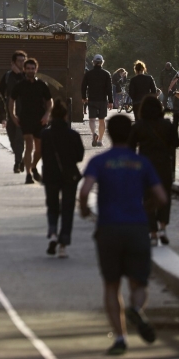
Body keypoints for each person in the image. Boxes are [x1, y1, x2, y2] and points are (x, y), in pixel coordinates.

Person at [79, 115, 166, 356]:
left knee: (111, 284)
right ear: (130, 134)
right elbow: (161, 197)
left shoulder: (100, 161)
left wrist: (85, 210)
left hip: (108, 228)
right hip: (137, 227)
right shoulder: (141, 163)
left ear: (109, 134)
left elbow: (85, 190)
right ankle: (136, 308)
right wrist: (146, 208)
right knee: (139, 282)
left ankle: (119, 337)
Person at [129, 95, 179, 245]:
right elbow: (175, 143)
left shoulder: (139, 126)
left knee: (148, 197)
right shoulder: (167, 125)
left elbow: (130, 147)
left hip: (145, 166)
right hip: (164, 165)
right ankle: (163, 227)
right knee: (165, 196)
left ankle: (153, 233)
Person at [41, 99, 84, 258]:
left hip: (50, 174)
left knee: (52, 206)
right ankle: (63, 244)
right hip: (69, 175)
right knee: (67, 208)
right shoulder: (73, 135)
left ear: (52, 116)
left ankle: (52, 232)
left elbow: (42, 154)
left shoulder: (45, 134)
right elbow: (80, 156)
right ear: (66, 116)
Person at [10, 58, 53, 184]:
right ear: (24, 69)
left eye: (32, 68)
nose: (30, 71)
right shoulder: (20, 85)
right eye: (28, 68)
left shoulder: (42, 85)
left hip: (40, 119)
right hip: (25, 119)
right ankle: (28, 175)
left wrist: (47, 114)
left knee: (39, 149)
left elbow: (49, 101)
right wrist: (13, 115)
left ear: (36, 69)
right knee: (29, 145)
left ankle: (33, 167)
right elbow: (11, 100)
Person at [0, 50, 26, 173]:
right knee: (12, 138)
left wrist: (20, 74)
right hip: (10, 111)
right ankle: (20, 159)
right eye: (19, 61)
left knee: (20, 138)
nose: (22, 63)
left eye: (23, 61)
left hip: (24, 112)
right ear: (13, 63)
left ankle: (17, 163)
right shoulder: (8, 76)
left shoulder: (28, 75)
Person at [81, 54, 113, 147]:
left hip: (92, 99)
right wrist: (110, 101)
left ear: (93, 62)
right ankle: (100, 140)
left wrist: (84, 97)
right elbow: (109, 89)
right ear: (102, 62)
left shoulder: (88, 74)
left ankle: (93, 134)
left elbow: (83, 86)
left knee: (92, 119)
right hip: (103, 100)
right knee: (101, 120)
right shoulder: (106, 74)